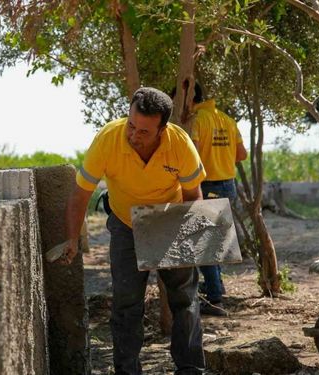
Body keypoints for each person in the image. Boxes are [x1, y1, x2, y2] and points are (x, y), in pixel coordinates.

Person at [61, 87, 207, 375]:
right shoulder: (108, 139)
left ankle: (190, 368)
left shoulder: (179, 143)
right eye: (131, 125)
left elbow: (193, 195)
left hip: (169, 220)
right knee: (127, 303)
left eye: (143, 131)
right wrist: (72, 239)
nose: (134, 135)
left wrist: (191, 239)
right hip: (126, 223)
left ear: (162, 129)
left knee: (185, 298)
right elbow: (80, 195)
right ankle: (127, 370)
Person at [190, 83, 248, 316]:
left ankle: (214, 295)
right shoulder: (226, 119)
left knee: (204, 242)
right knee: (215, 239)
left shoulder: (197, 120)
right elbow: (242, 154)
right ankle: (216, 285)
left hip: (207, 185)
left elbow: (191, 154)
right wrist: (222, 155)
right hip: (228, 185)